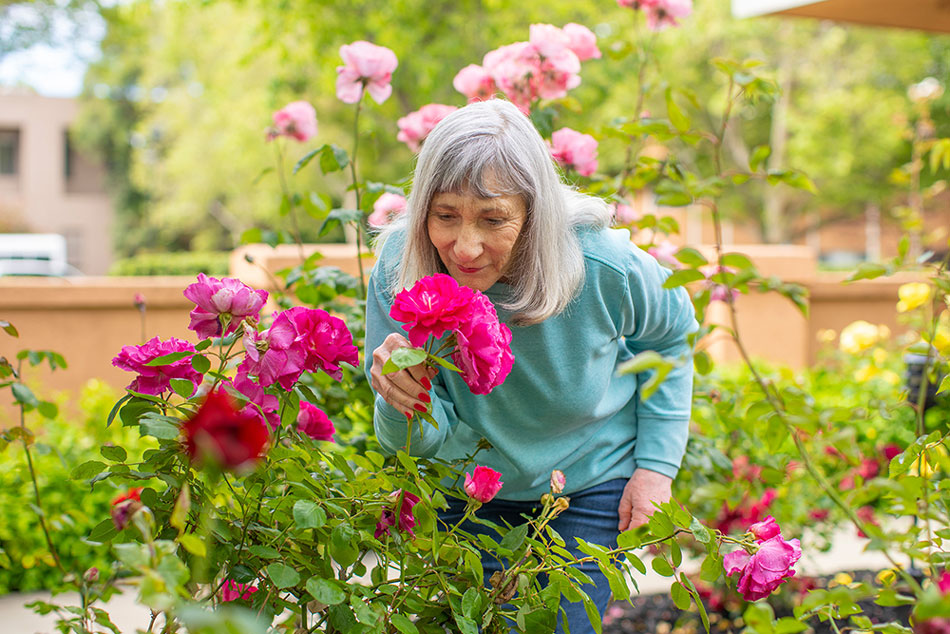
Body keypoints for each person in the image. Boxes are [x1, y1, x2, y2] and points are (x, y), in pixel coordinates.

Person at [365, 98, 697, 633]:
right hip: (466, 489)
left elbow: (674, 335)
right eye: (445, 215)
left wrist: (657, 467)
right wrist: (399, 400)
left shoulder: (602, 264)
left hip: (586, 484)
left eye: (493, 219)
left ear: (534, 213)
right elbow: (417, 444)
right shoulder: (400, 265)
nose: (465, 247)